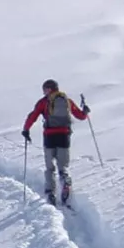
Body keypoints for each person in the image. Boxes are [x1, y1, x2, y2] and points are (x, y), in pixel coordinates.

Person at [22, 79, 89, 207]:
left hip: (49, 136)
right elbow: (80, 116)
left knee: (49, 166)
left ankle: (50, 192)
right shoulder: (66, 100)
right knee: (62, 165)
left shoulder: (43, 102)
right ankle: (65, 181)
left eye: (44, 89)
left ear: (48, 89)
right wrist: (85, 112)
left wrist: (26, 130)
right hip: (64, 135)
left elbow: (33, 116)